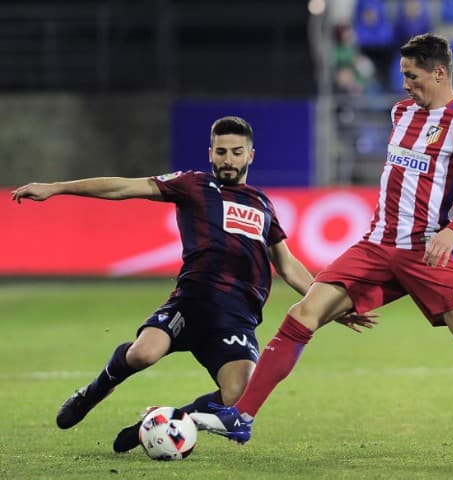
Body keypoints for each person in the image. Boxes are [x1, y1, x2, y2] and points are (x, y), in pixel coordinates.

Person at [190, 34, 453, 453]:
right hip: (375, 245)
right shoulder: (401, 113)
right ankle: (242, 417)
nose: (405, 84)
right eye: (403, 76)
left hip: (426, 252)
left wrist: (451, 232)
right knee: (304, 312)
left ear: (439, 72)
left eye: (412, 76)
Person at [11, 116, 374, 453]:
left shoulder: (263, 204)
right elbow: (124, 187)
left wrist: (326, 303)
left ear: (250, 153)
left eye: (236, 152)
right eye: (221, 152)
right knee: (142, 354)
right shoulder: (194, 185)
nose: (228, 159)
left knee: (238, 393)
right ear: (210, 152)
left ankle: (160, 424)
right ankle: (93, 392)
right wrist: (56, 187)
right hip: (192, 302)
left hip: (236, 317)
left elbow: (288, 264)